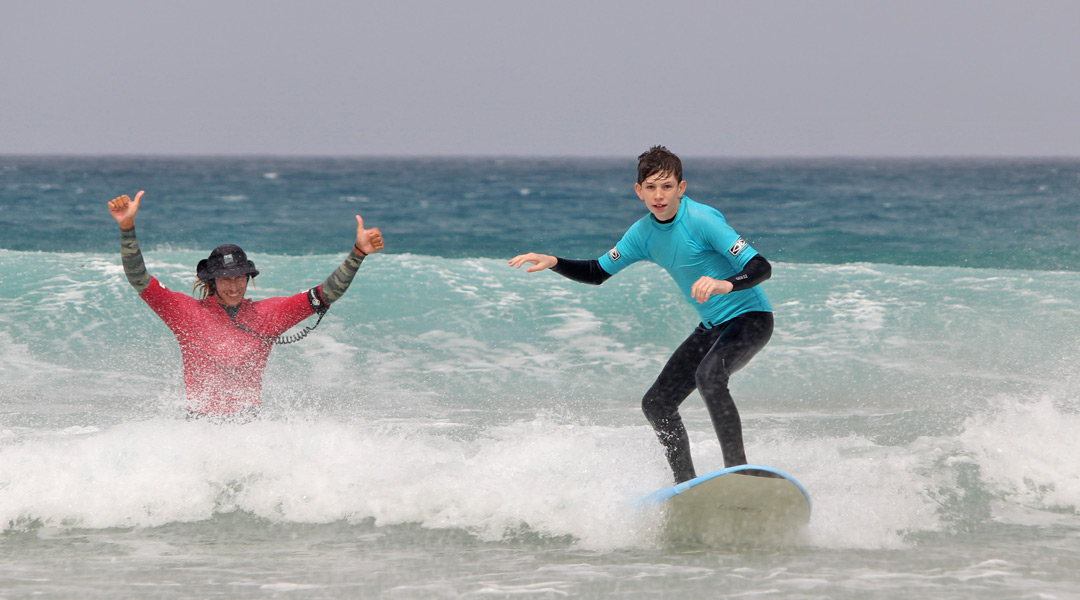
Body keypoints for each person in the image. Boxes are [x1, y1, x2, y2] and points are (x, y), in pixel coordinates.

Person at [509, 146, 773, 484]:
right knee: (657, 404)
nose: (659, 195)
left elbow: (760, 266)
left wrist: (726, 284)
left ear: (682, 187)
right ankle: (686, 486)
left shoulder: (703, 220)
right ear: (639, 191)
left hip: (751, 318)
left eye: (666, 186)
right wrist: (556, 262)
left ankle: (739, 471)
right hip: (712, 327)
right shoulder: (642, 234)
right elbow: (597, 271)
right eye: (651, 187)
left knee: (710, 376)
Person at [107, 190, 384, 420]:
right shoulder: (186, 313)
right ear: (212, 282)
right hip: (198, 429)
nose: (234, 285)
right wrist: (127, 228)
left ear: (248, 278)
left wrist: (358, 253)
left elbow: (326, 293)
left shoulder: (270, 313)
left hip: (249, 427)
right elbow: (139, 279)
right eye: (225, 279)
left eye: (240, 277)